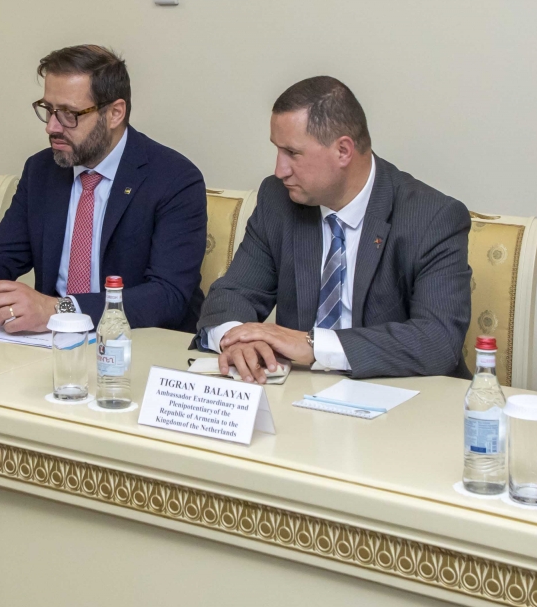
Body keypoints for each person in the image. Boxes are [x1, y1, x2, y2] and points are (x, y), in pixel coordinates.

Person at [199, 76, 473, 382]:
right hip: (298, 394)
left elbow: (437, 339)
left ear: (343, 150)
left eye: (292, 153)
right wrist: (237, 340)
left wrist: (315, 346)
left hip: (403, 397)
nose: (280, 170)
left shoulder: (432, 217)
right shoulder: (278, 199)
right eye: (277, 150)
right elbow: (232, 295)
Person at [0, 45, 206, 333]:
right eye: (48, 110)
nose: (52, 127)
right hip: (52, 343)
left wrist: (59, 309)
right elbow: (2, 256)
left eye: (69, 114)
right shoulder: (41, 170)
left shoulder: (173, 178)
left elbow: (167, 296)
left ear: (115, 113)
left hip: (139, 341)